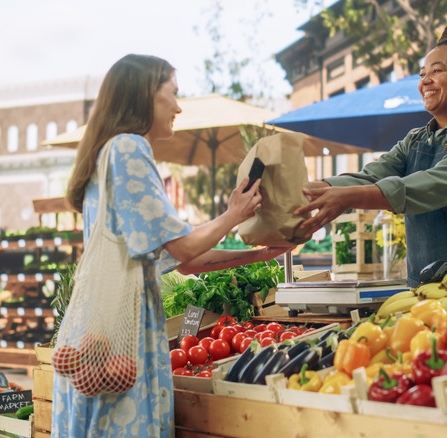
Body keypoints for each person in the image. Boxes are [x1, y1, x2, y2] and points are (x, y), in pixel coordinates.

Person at [56, 54, 291, 437]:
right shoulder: (129, 148)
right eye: (174, 94)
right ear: (146, 94)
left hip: (97, 341)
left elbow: (189, 262)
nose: (179, 106)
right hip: (121, 341)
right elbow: (184, 248)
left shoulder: (106, 154)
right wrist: (232, 215)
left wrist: (259, 255)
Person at [295, 19, 447, 287]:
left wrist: (346, 197)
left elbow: (429, 186)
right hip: (428, 296)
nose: (425, 81)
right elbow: (370, 176)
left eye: (437, 70)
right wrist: (310, 191)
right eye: (422, 74)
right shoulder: (415, 140)